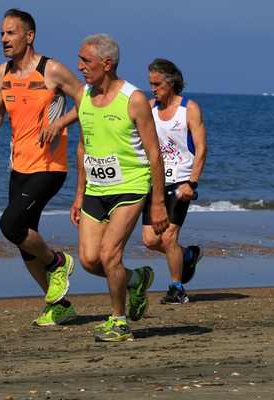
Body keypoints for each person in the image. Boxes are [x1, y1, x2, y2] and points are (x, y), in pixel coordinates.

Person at [0, 9, 83, 326]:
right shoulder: (2, 73)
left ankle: (59, 261)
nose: (4, 40)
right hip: (19, 166)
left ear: (30, 35)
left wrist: (61, 123)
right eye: (1, 34)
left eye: (11, 33)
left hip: (50, 166)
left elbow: (87, 100)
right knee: (24, 240)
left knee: (10, 225)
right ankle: (59, 304)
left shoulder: (51, 70)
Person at [70, 34, 169, 342]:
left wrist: (157, 203)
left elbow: (154, 153)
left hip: (130, 185)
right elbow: (83, 148)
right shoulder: (84, 96)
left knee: (110, 254)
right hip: (96, 189)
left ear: (107, 63)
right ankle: (136, 279)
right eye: (80, 60)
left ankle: (119, 321)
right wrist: (78, 194)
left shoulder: (134, 98)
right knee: (89, 260)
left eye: (86, 61)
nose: (80, 66)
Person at [142, 59, 207, 304]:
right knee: (150, 240)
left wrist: (192, 183)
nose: (153, 89)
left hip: (181, 181)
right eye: (150, 84)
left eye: (157, 84)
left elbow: (201, 148)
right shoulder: (148, 108)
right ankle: (187, 255)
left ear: (171, 82)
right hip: (155, 182)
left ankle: (176, 288)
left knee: (169, 237)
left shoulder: (189, 109)